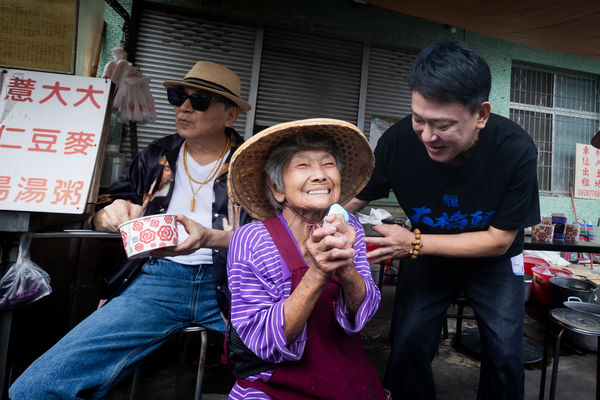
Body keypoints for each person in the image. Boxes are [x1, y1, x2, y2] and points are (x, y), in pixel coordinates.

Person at [9, 61, 252, 399]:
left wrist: (213, 238)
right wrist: (107, 214)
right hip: (156, 281)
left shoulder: (252, 163)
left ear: (229, 116)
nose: (183, 107)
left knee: (305, 374)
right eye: (178, 96)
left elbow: (278, 233)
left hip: (238, 286)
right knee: (34, 389)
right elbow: (105, 206)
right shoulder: (157, 155)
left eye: (199, 101)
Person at [346, 41, 540, 400]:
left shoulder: (515, 149)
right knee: (408, 340)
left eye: (443, 125)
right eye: (419, 119)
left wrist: (413, 243)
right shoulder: (398, 141)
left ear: (480, 114)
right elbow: (354, 200)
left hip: (492, 261)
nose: (427, 136)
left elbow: (499, 239)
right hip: (428, 257)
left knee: (504, 351)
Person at [225, 118, 388, 399]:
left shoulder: (349, 226)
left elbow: (368, 309)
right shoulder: (252, 239)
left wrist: (346, 265)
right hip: (276, 381)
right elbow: (261, 340)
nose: (320, 175)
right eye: (303, 166)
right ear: (277, 187)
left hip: (344, 373)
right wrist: (318, 272)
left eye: (328, 164)